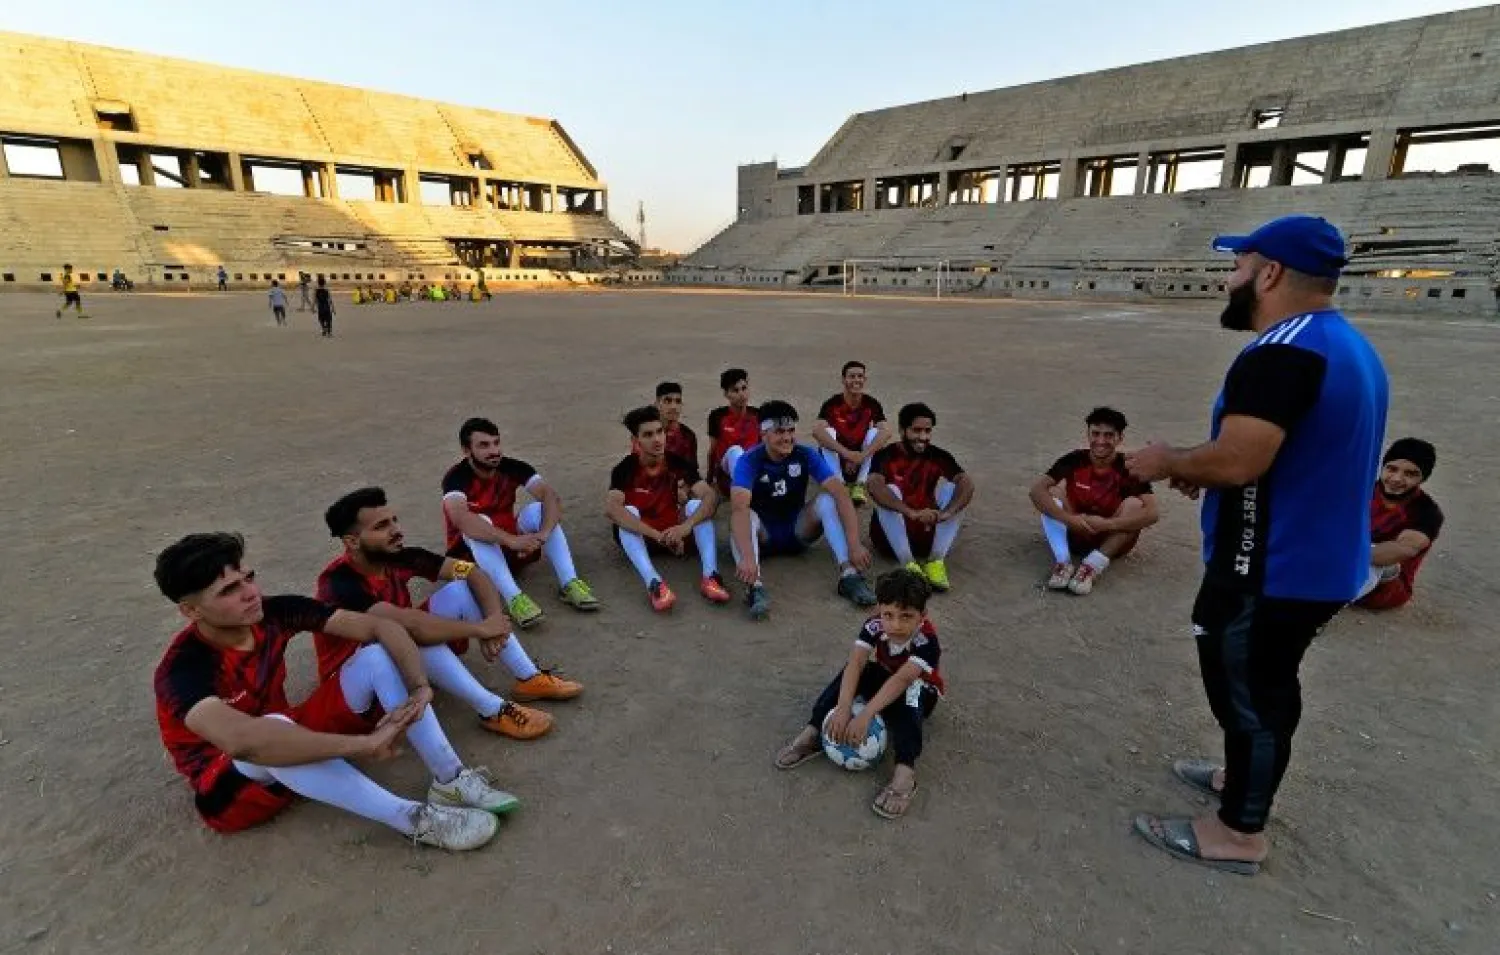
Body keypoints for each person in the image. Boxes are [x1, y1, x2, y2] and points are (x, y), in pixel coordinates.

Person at [1124, 215, 1388, 875]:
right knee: (1264, 685)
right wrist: (1201, 467)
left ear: (1269, 273)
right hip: (1314, 559)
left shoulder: (1282, 351)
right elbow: (1279, 456)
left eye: (1238, 265)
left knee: (1248, 689)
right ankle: (1241, 779)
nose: (1229, 278)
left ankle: (1239, 832)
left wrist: (1166, 459)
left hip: (1272, 567)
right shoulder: (1342, 343)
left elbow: (1242, 459)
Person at [152, 532, 515, 850]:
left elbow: (380, 627)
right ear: (190, 610)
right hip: (232, 790)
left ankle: (450, 778)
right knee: (270, 728)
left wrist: (420, 687)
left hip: (295, 737)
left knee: (374, 656)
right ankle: (413, 820)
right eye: (230, 590)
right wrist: (363, 745)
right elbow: (245, 742)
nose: (251, 594)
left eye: (248, 578)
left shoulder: (275, 612)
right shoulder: (183, 670)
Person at [317, 487, 583, 743]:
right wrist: (480, 630)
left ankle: (529, 678)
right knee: (407, 631)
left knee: (460, 588)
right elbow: (409, 624)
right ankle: (492, 710)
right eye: (381, 526)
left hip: (404, 656)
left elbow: (473, 572)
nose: (396, 530)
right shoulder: (339, 583)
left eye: (394, 520)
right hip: (363, 682)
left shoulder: (397, 555)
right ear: (351, 541)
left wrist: (493, 621)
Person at [774, 568, 944, 820]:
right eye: (889, 614)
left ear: (922, 616)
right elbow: (855, 663)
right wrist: (843, 709)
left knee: (914, 690)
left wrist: (864, 716)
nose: (896, 624)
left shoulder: (927, 641)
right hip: (886, 681)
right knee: (857, 670)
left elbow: (902, 679)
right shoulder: (874, 625)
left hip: (918, 692)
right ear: (879, 609)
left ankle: (905, 772)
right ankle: (813, 732)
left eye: (906, 616)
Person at [442, 417, 599, 628]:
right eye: (484, 445)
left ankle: (569, 583)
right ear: (466, 450)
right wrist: (512, 540)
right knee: (477, 522)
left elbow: (549, 495)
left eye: (496, 442)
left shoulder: (512, 467)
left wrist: (542, 535)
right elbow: (460, 518)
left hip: (509, 550)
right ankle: (514, 598)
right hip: (469, 562)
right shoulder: (456, 478)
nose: (494, 450)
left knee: (538, 510)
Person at [729, 399, 874, 619]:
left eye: (791, 430)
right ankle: (754, 587)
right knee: (743, 516)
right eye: (779, 432)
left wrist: (855, 543)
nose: (787, 437)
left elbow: (841, 494)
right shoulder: (749, 460)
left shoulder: (804, 454)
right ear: (763, 434)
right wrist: (747, 557)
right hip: (763, 536)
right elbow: (739, 509)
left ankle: (849, 575)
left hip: (798, 531)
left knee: (828, 499)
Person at [607, 406, 731, 611]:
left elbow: (710, 496)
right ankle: (654, 583)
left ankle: (711, 577)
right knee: (627, 513)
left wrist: (686, 527)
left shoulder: (677, 463)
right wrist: (657, 535)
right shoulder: (625, 469)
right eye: (648, 435)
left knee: (696, 505)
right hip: (644, 537)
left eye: (659, 432)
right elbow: (612, 509)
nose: (657, 439)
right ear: (636, 441)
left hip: (675, 534)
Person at [1029, 407, 1160, 596]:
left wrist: (1107, 524)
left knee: (1135, 504)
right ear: (1088, 434)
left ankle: (1092, 566)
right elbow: (1036, 491)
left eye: (1109, 435)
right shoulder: (1074, 459)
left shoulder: (1129, 468)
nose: (1100, 441)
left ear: (1120, 438)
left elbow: (1153, 513)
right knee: (1051, 492)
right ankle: (1063, 562)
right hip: (1076, 531)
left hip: (1112, 539)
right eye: (1096, 433)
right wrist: (1069, 520)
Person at [867, 403, 975, 592]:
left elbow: (966, 483)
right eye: (916, 430)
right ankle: (908, 564)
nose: (923, 437)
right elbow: (874, 485)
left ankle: (935, 561)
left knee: (955, 488)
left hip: (926, 532)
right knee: (889, 490)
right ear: (902, 430)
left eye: (927, 431)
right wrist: (911, 512)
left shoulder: (938, 455)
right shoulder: (886, 455)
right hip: (890, 539)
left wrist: (945, 514)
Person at [1355, 438, 1443, 610]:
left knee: (1386, 564)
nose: (1397, 479)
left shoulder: (1427, 513)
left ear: (1422, 478)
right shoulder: (1361, 492)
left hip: (1386, 585)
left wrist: (1340, 557)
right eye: (1391, 469)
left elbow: (1404, 548)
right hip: (1348, 561)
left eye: (1410, 474)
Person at [813, 361, 892, 505]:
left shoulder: (871, 404)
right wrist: (847, 454)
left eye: (860, 376)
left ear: (865, 380)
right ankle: (840, 485)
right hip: (837, 459)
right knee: (827, 432)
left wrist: (862, 455)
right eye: (852, 376)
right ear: (843, 380)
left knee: (875, 432)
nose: (856, 380)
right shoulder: (832, 403)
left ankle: (859, 485)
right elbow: (817, 431)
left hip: (862, 460)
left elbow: (887, 432)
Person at [706, 368, 760, 493]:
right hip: (727, 470)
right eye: (735, 390)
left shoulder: (758, 414)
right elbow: (713, 450)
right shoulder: (717, 416)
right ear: (726, 394)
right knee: (736, 451)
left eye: (744, 388)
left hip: (754, 466)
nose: (741, 394)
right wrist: (709, 480)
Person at [655, 381, 698, 465]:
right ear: (657, 404)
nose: (674, 407)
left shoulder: (688, 436)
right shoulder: (646, 432)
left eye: (678, 401)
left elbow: (692, 470)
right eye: (667, 401)